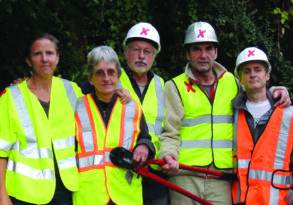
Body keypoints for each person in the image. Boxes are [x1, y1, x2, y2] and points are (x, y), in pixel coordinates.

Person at [159, 21, 291, 205]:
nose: (203, 55)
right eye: (196, 49)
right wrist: (168, 155)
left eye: (208, 48)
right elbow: (169, 132)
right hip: (185, 175)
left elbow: (256, 95)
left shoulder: (232, 81)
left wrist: (277, 91)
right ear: (187, 54)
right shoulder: (174, 86)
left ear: (216, 52)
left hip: (221, 178)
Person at [0, 33, 82, 205]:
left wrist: (120, 91)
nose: (45, 59)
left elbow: (100, 104)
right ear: (29, 60)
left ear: (58, 57)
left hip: (65, 189)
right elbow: (1, 152)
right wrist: (2, 197)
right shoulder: (9, 98)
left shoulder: (72, 90)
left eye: (50, 53)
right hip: (24, 193)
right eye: (38, 54)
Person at [73, 46, 155, 205]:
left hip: (125, 194)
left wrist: (144, 147)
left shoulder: (132, 106)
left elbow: (145, 138)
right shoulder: (77, 105)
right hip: (89, 196)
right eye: (99, 73)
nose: (106, 78)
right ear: (90, 78)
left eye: (111, 72)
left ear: (118, 76)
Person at [231, 47, 292, 205]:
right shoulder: (233, 112)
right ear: (240, 79)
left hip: (278, 200)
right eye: (247, 71)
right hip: (242, 199)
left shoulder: (287, 112)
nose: (252, 74)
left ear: (267, 75)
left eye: (258, 69)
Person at [119, 22, 168, 205]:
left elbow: (170, 130)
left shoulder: (163, 86)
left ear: (154, 56)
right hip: (120, 170)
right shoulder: (111, 80)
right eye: (135, 49)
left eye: (147, 51)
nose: (141, 56)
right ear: (125, 52)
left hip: (154, 173)